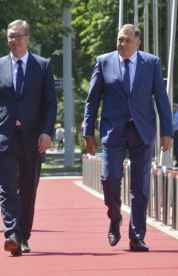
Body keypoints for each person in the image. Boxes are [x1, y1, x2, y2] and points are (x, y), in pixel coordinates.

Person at [83, 24, 172, 252]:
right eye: (120, 39)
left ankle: (137, 235)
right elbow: (93, 100)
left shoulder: (151, 63)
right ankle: (115, 217)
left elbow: (162, 99)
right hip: (113, 130)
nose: (122, 44)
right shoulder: (104, 62)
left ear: (137, 43)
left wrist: (167, 131)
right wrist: (88, 131)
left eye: (127, 41)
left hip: (142, 131)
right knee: (109, 178)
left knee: (140, 187)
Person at [0, 20, 56, 256]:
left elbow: (50, 104)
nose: (14, 40)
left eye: (19, 36)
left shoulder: (42, 66)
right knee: (8, 187)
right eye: (11, 36)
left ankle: (23, 235)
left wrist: (46, 132)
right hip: (3, 136)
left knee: (28, 188)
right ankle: (11, 234)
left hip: (33, 138)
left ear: (28, 38)